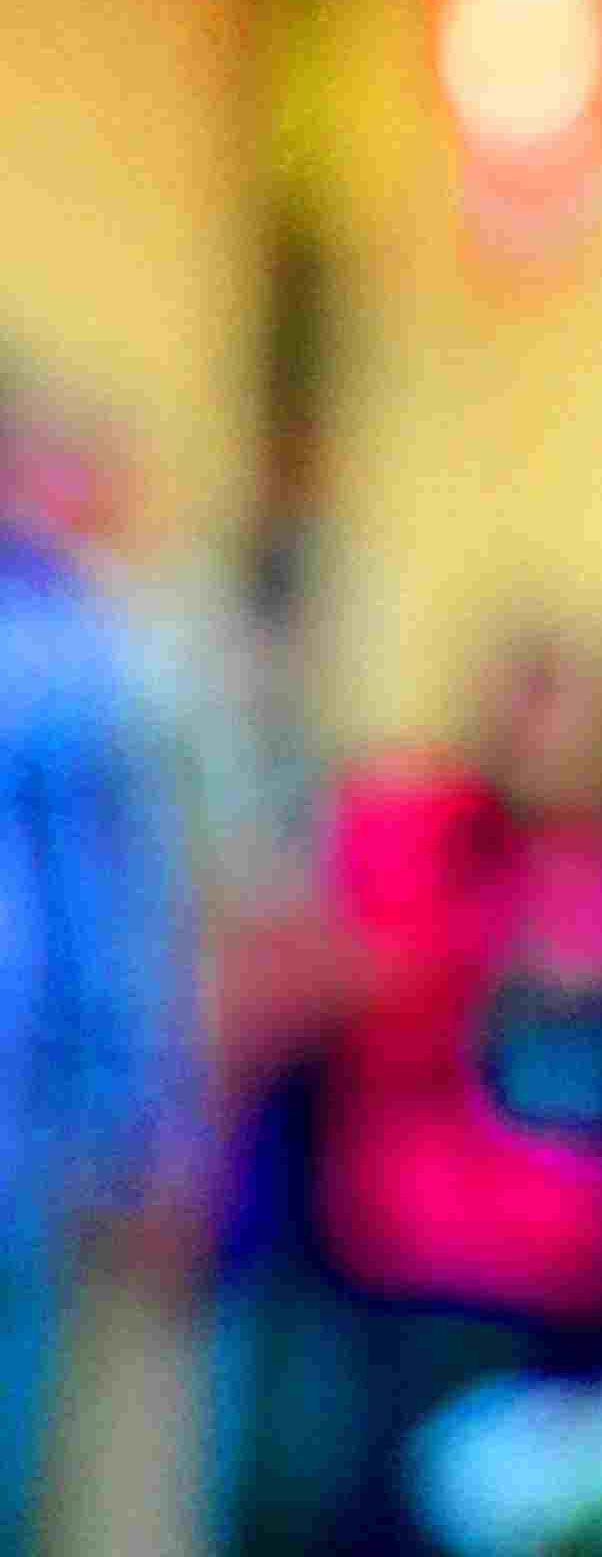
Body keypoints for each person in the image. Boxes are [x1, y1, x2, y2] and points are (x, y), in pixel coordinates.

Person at [0, 376, 205, 1557]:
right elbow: (109, 911)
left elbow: (109, 908)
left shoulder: (84, 649)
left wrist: (138, 1114)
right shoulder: (81, 652)